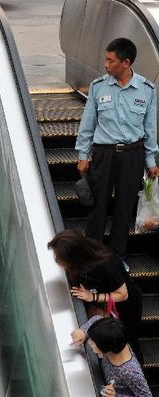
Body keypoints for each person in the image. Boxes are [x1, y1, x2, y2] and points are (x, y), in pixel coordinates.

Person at [75, 37, 159, 258]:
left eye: (110, 61)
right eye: (106, 60)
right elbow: (87, 125)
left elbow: (150, 129)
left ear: (126, 62)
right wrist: (83, 155)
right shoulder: (98, 87)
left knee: (124, 210)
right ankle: (92, 256)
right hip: (104, 154)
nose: (106, 65)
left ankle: (116, 259)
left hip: (133, 155)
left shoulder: (146, 90)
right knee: (97, 208)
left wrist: (151, 161)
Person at [48, 229, 144, 363]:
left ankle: (134, 372)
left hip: (125, 307)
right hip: (104, 302)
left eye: (59, 258)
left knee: (126, 342)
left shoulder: (106, 265)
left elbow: (123, 295)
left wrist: (93, 297)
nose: (56, 260)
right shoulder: (82, 261)